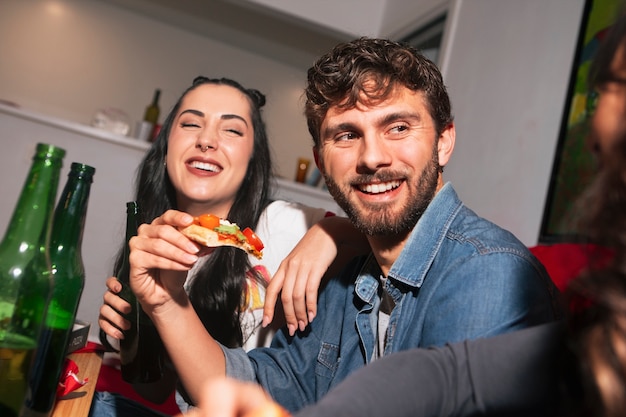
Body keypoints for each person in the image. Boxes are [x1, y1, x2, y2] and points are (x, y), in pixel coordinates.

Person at [183, 8, 626, 417]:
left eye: (398, 127)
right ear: (321, 163)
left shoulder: (490, 274)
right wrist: (164, 296)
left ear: (444, 141)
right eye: (346, 135)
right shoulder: (346, 275)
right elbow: (267, 382)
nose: (373, 157)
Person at [91, 76, 368, 417]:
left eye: (232, 130)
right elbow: (155, 390)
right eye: (191, 124)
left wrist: (331, 231)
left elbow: (387, 246)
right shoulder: (156, 243)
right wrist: (134, 336)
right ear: (166, 148)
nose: (206, 140)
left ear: (253, 158)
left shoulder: (283, 224)